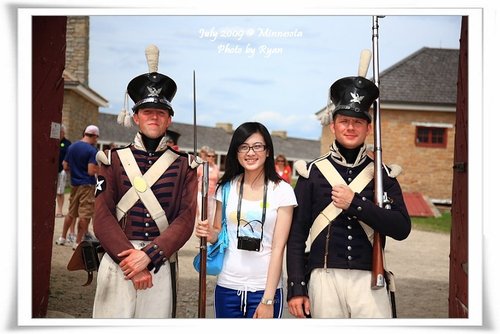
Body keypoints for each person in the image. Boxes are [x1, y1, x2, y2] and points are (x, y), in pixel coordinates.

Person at [286, 76, 411, 318]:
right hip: (323, 278)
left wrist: (355, 203)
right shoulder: (311, 173)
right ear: (333, 126)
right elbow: (297, 235)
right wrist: (297, 287)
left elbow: (401, 228)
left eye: (357, 122)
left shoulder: (384, 176)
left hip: (369, 280)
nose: (350, 127)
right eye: (344, 121)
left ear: (368, 128)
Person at [92, 46, 198, 319]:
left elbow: (185, 219)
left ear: (169, 119)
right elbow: (102, 216)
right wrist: (131, 260)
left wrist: (149, 256)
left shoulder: (184, 165)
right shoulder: (112, 159)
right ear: (136, 117)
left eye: (160, 113)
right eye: (147, 111)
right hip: (120, 263)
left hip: (158, 264)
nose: (154, 117)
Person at [195, 122, 297, 318]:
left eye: (257, 146)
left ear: (268, 151)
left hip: (265, 290)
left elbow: (278, 248)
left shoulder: (282, 191)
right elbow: (218, 232)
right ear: (236, 152)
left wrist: (267, 299)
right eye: (244, 147)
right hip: (227, 287)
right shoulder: (225, 188)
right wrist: (208, 233)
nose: (250, 152)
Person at [55, 125, 99, 249]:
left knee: (71, 212)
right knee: (85, 215)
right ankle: (78, 242)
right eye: (96, 137)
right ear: (94, 136)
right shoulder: (92, 150)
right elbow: (91, 171)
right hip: (87, 185)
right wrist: (100, 169)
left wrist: (75, 170)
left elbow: (65, 165)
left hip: (74, 184)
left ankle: (63, 237)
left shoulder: (72, 146)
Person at [196, 146, 219, 225]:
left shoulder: (216, 167)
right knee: (202, 212)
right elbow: (195, 179)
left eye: (213, 156)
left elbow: (217, 181)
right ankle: (201, 232)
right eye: (209, 156)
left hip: (212, 194)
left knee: (210, 213)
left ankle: (207, 232)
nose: (211, 158)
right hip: (202, 193)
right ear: (206, 156)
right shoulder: (201, 167)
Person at [55, 125, 72, 218]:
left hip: (62, 171)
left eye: (61, 132)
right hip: (53, 170)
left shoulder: (67, 143)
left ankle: (59, 210)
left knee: (60, 191)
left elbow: (69, 157)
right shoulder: (54, 141)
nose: (60, 134)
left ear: (63, 133)